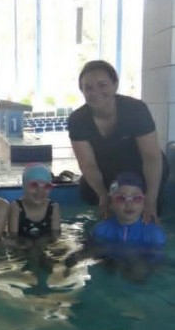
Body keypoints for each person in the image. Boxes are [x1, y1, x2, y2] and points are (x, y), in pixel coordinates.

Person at [68, 60, 168, 223]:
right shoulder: (77, 119)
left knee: (149, 213)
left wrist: (151, 198)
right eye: (88, 88)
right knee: (88, 190)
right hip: (110, 170)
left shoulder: (135, 110)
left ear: (115, 85)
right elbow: (88, 164)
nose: (95, 92)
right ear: (82, 91)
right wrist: (102, 195)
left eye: (102, 85)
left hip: (141, 168)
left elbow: (151, 157)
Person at [91, 172, 166, 246]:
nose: (129, 204)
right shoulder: (101, 230)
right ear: (111, 203)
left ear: (144, 202)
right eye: (121, 198)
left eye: (137, 198)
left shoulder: (154, 235)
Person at [9, 163, 60, 239]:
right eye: (34, 185)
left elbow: (56, 238)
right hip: (23, 244)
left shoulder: (53, 207)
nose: (40, 191)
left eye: (46, 186)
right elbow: (13, 238)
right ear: (24, 187)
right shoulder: (16, 207)